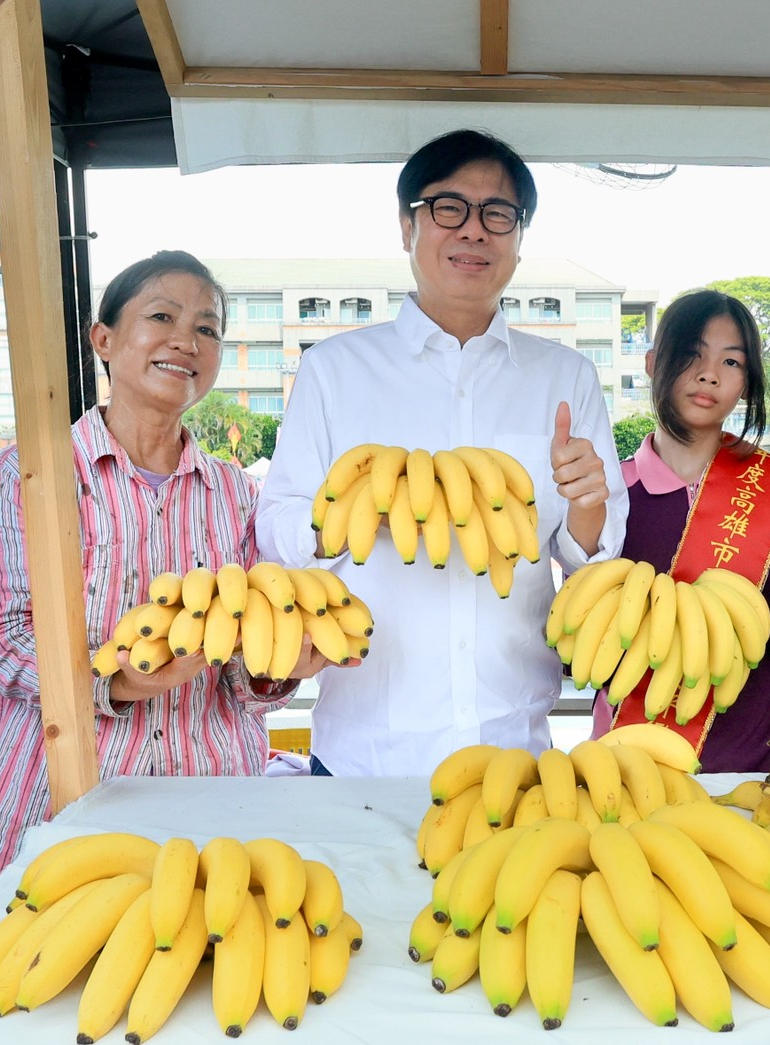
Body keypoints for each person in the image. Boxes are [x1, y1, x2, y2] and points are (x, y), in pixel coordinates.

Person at [256, 129, 628, 777]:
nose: (474, 231)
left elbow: (592, 558)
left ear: (518, 234)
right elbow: (278, 527)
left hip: (514, 747)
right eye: (448, 208)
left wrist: (586, 504)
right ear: (407, 226)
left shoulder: (564, 378)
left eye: (497, 214)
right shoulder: (334, 370)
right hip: (362, 751)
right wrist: (349, 518)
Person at [0, 251, 328, 882]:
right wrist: (113, 684)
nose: (187, 340)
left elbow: (241, 676)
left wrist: (275, 674)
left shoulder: (240, 497)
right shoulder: (30, 477)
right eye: (162, 316)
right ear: (103, 339)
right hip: (60, 808)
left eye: (208, 329)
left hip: (212, 813)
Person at [589, 289, 770, 772]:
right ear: (652, 363)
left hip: (754, 758)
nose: (710, 374)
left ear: (746, 382)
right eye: (692, 355)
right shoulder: (609, 495)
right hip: (626, 756)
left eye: (732, 361)